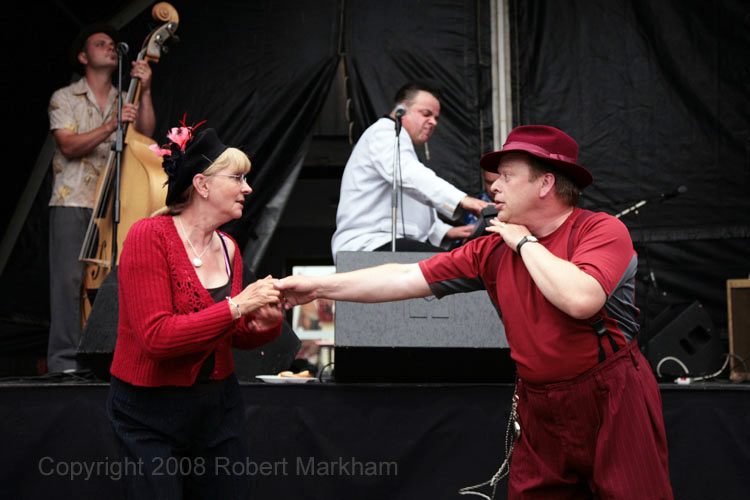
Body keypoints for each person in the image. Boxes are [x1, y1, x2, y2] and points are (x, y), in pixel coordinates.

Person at [277, 125, 673, 499]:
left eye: (506, 176)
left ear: (545, 183)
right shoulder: (490, 249)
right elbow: (403, 276)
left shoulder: (599, 231)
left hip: (610, 395)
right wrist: (318, 287)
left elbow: (580, 299)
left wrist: (524, 244)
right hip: (540, 405)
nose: (494, 187)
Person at [107, 123, 283, 498]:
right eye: (237, 177)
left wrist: (264, 325)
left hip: (217, 407)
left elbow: (224, 334)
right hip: (148, 410)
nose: (247, 188)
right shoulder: (148, 236)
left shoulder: (229, 247)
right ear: (202, 185)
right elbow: (158, 339)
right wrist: (237, 306)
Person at [47, 24, 156, 373]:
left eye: (112, 44)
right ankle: (63, 363)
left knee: (116, 280)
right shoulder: (64, 97)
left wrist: (147, 90)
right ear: (83, 56)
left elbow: (147, 135)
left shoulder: (128, 96)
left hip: (111, 202)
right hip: (72, 200)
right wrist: (112, 126)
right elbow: (68, 145)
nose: (110, 47)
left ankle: (108, 358)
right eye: (100, 44)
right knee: (67, 283)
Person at [330, 81, 489, 261]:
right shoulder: (384, 133)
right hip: (369, 244)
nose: (433, 122)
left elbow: (412, 202)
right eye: (426, 114)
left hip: (383, 243)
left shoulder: (396, 142)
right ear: (401, 111)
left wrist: (446, 231)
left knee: (454, 266)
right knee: (458, 267)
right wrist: (464, 200)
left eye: (436, 118)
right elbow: (409, 175)